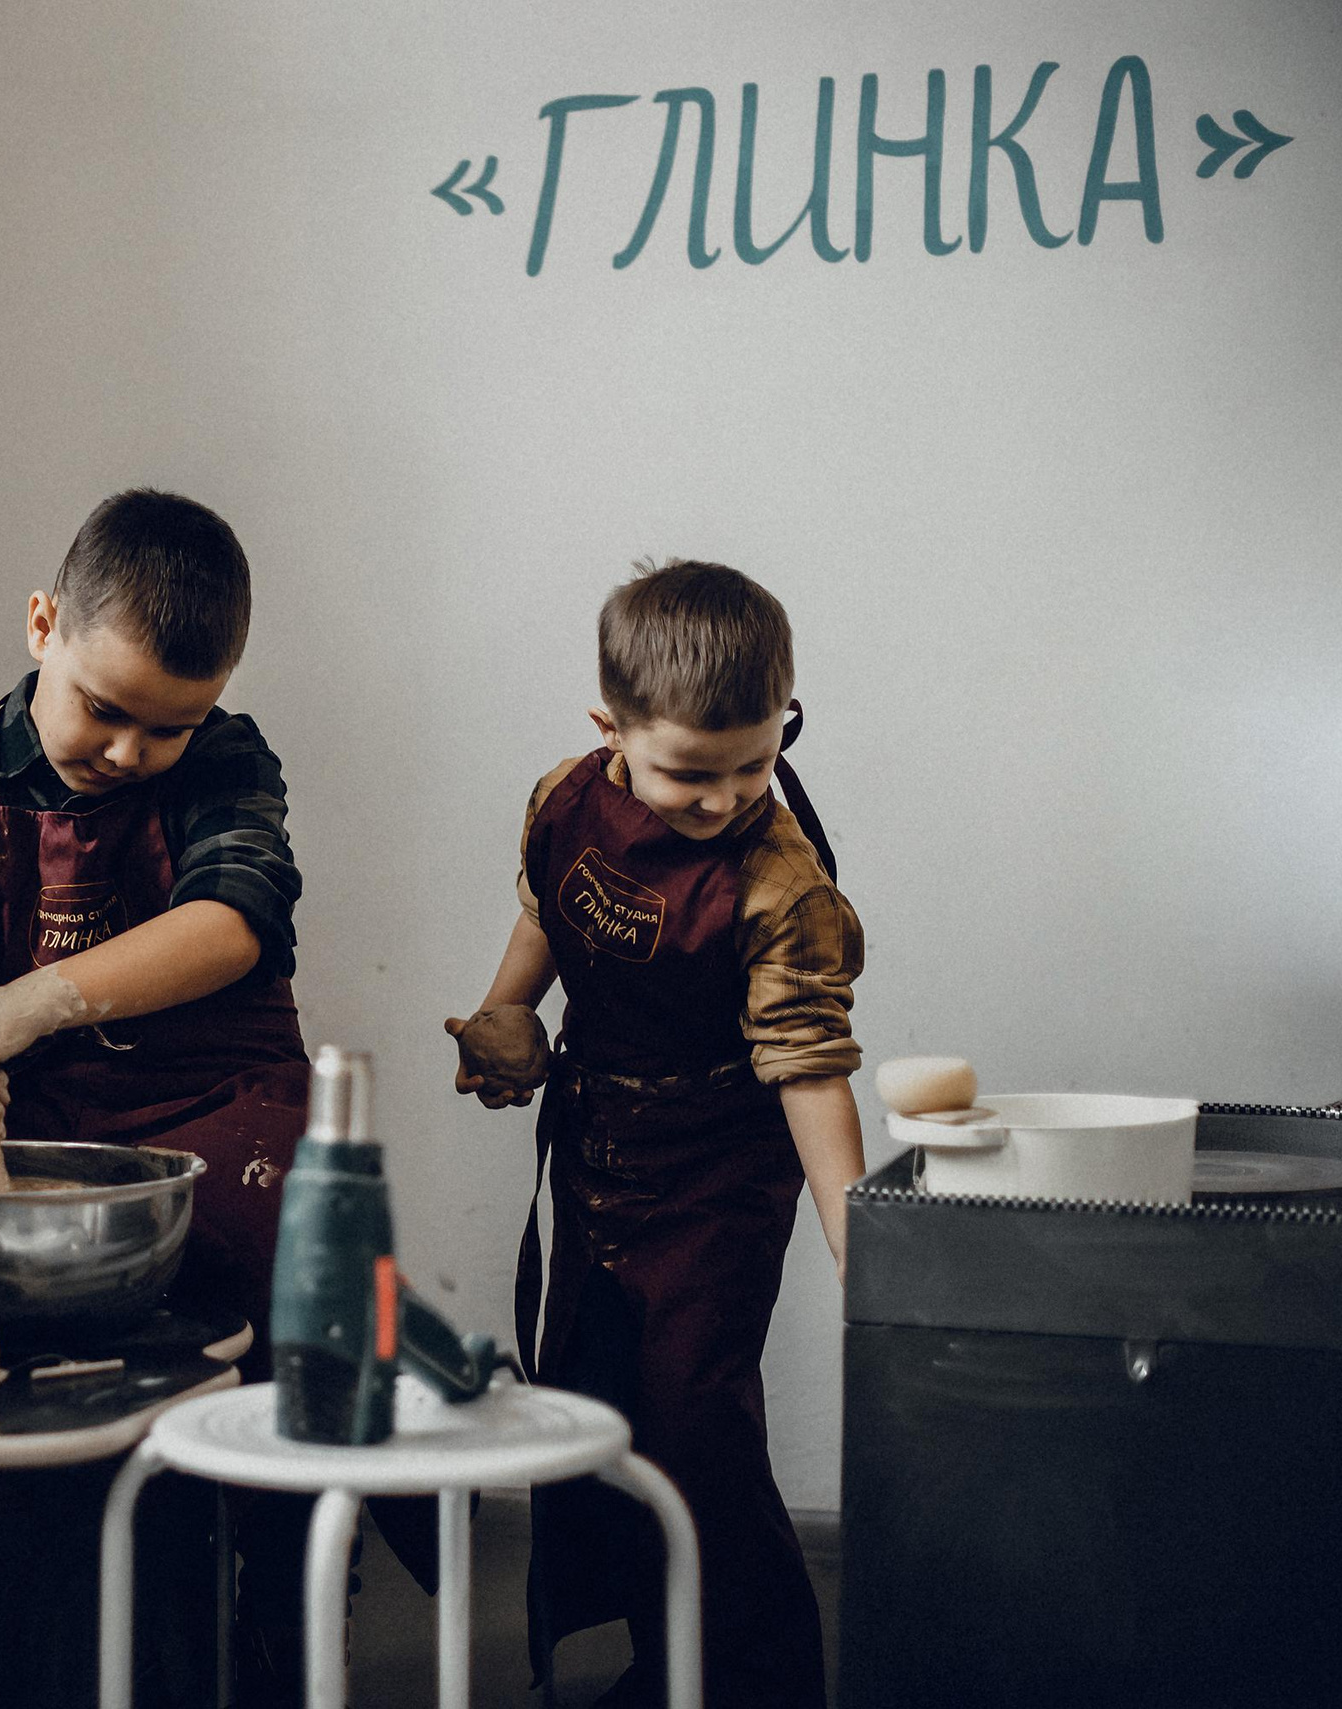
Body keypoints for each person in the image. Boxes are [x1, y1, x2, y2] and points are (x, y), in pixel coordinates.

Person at [0, 487, 320, 1698]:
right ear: (43, 623)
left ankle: (269, 1625)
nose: (129, 752)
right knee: (58, 1405)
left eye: (167, 729)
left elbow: (232, 918)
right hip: (47, 1154)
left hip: (222, 1117)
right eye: (105, 711)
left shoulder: (226, 757)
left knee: (257, 1382)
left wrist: (30, 1002)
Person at [448, 559, 864, 1709]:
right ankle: (665, 1663)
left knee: (697, 1431)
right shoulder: (561, 798)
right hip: (595, 1140)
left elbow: (810, 1066)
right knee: (605, 1410)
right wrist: (505, 1017)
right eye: (690, 770)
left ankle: (759, 1684)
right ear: (610, 730)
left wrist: (862, 1249)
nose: (727, 795)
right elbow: (545, 908)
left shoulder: (780, 883)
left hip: (721, 1167)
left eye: (756, 761)